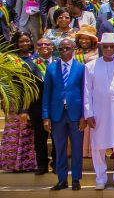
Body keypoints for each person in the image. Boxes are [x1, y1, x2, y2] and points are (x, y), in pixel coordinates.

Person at [83, 32, 114, 190]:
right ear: (101, 47)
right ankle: (100, 178)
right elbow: (87, 92)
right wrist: (88, 114)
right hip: (98, 113)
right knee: (98, 146)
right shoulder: (90, 66)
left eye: (112, 46)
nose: (109, 49)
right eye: (105, 46)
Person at [42, 37, 86, 191]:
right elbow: (47, 93)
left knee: (77, 148)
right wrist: (46, 116)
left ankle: (76, 179)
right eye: (61, 48)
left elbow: (85, 93)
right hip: (57, 114)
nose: (64, 51)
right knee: (60, 148)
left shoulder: (81, 68)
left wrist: (84, 115)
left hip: (76, 114)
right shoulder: (51, 68)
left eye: (67, 48)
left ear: (73, 49)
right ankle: (62, 180)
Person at [0, 32, 38, 172]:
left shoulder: (36, 59)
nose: (24, 44)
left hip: (32, 100)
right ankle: (11, 164)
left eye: (27, 41)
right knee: (14, 131)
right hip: (14, 101)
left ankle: (27, 164)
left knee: (28, 132)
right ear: (16, 43)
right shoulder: (10, 59)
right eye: (21, 41)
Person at [30, 37, 56, 174]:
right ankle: (42, 165)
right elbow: (26, 89)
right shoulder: (30, 65)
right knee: (40, 139)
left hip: (57, 106)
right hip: (37, 107)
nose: (43, 46)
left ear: (52, 47)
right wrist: (24, 110)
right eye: (40, 44)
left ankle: (56, 163)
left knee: (57, 138)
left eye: (47, 44)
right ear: (36, 48)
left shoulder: (59, 63)